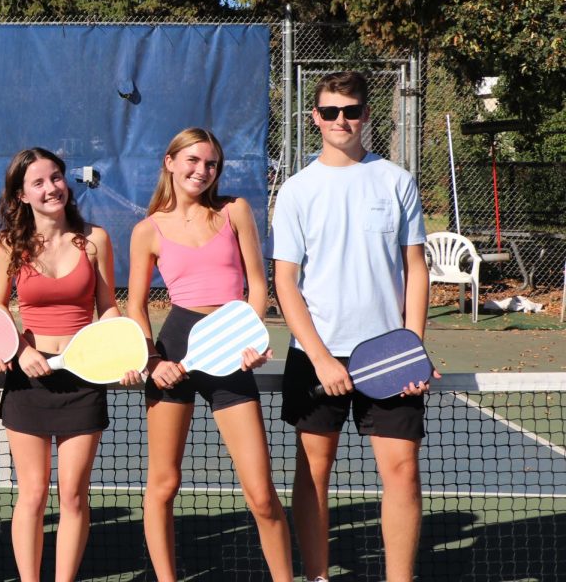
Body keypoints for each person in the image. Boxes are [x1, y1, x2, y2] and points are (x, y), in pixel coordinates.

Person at [271, 71, 431, 582]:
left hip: (391, 360)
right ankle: (317, 576)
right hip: (316, 359)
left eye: (352, 110)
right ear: (315, 117)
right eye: (331, 111)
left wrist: (413, 351)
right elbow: (286, 283)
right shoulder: (297, 191)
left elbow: (416, 270)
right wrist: (320, 357)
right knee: (313, 474)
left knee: (403, 474)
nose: (342, 120)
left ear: (366, 115)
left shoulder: (396, 181)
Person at [126, 127, 292, 582]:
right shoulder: (147, 231)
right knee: (163, 485)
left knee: (260, 493)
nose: (202, 171)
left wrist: (253, 339)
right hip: (175, 351)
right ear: (171, 162)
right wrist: (152, 361)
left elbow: (258, 285)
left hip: (231, 355)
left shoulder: (234, 211)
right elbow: (135, 305)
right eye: (193, 161)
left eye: (211, 163)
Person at [0, 147, 136, 582]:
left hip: (83, 378)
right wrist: (20, 350)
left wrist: (125, 351)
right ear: (21, 194)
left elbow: (108, 307)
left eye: (56, 177)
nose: (52, 187)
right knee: (32, 494)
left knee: (73, 495)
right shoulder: (9, 244)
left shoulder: (95, 240)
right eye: (38, 182)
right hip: (28, 380)